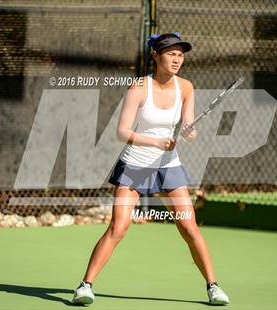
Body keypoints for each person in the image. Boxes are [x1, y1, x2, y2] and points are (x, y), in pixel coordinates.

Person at [72, 32, 230, 306]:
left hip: (168, 167)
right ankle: (84, 287)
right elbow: (122, 132)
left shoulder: (187, 88)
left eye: (180, 55)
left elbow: (188, 128)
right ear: (156, 56)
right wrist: (156, 141)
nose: (176, 59)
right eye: (171, 53)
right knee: (119, 227)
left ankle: (213, 287)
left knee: (189, 226)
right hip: (135, 165)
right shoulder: (138, 88)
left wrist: (190, 131)